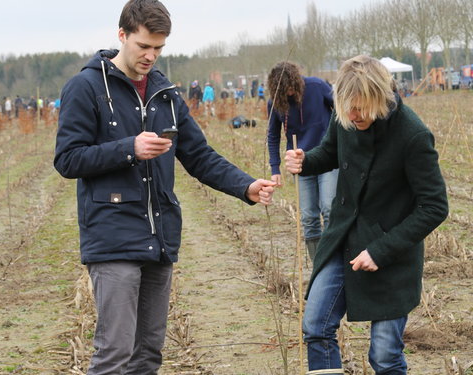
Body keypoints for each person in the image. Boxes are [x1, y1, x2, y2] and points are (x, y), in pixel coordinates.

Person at [53, 1, 276, 374]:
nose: (151, 56)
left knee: (147, 356)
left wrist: (246, 186)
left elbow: (200, 156)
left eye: (159, 48)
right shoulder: (85, 87)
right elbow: (68, 160)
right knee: (114, 354)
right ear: (122, 35)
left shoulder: (165, 94)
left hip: (160, 237)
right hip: (112, 237)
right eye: (143, 46)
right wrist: (129, 148)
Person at [285, 55, 448, 375]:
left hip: (391, 253)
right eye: (347, 108)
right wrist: (306, 160)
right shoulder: (346, 114)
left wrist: (381, 250)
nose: (352, 115)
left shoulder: (412, 135)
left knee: (384, 356)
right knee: (316, 326)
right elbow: (330, 152)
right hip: (342, 237)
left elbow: (435, 206)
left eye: (360, 109)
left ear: (380, 98)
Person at [267, 61, 338, 263]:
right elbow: (272, 136)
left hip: (328, 159)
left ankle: (335, 260)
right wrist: (275, 168)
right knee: (309, 218)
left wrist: (340, 140)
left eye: (291, 87)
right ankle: (319, 266)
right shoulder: (275, 103)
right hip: (300, 164)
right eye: (284, 89)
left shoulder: (316, 86)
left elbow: (342, 110)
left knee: (329, 208)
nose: (289, 92)